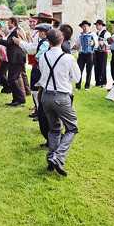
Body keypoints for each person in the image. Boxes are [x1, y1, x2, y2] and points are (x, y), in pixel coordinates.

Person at [36, 28, 81, 176]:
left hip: (46, 97)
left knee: (54, 129)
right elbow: (77, 78)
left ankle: (51, 159)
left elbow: (42, 77)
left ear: (48, 41)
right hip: (61, 97)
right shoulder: (68, 58)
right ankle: (58, 157)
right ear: (62, 40)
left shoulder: (43, 57)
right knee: (72, 128)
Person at [0, 17, 26, 107]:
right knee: (12, 79)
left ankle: (20, 99)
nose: (7, 24)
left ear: (13, 23)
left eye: (8, 22)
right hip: (13, 58)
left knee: (12, 79)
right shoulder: (13, 31)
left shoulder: (16, 31)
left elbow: (8, 43)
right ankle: (16, 99)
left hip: (17, 58)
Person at [75, 21, 97, 90]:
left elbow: (96, 44)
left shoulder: (93, 35)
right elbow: (78, 44)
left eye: (86, 26)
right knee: (79, 70)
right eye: (83, 26)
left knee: (89, 70)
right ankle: (78, 86)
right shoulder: (80, 35)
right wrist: (75, 47)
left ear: (88, 26)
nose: (84, 28)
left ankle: (87, 86)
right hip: (81, 54)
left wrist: (92, 43)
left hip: (90, 54)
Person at [94, 19, 110, 87]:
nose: (96, 26)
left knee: (102, 67)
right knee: (96, 67)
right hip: (96, 52)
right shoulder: (96, 33)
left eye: (97, 25)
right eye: (96, 25)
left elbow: (109, 43)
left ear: (101, 25)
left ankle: (103, 82)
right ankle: (97, 82)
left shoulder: (106, 33)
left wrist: (103, 43)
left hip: (103, 52)